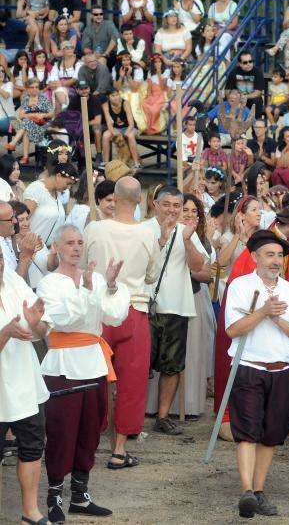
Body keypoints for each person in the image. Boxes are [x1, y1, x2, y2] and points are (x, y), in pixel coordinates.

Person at [38, 225, 127, 524]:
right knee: (61, 432)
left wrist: (110, 286)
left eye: (79, 242)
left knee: (90, 431)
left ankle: (80, 494)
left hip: (93, 362)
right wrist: (88, 291)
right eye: (69, 243)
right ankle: (54, 495)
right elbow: (62, 320)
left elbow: (114, 316)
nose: (76, 248)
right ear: (56, 247)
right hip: (63, 365)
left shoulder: (96, 277)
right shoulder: (49, 283)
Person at [225, 230, 289, 518]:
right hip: (248, 366)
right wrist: (262, 311)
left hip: (281, 369)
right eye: (269, 254)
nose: (275, 260)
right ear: (255, 257)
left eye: (279, 256)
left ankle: (259, 491)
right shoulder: (240, 285)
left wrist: (276, 317)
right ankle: (247, 491)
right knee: (247, 431)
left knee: (272, 433)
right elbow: (233, 330)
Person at [83, 176, 160, 469]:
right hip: (132, 309)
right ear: (139, 200)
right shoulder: (148, 234)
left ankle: (91, 442)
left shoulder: (95, 228)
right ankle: (118, 449)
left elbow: (83, 267)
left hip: (100, 312)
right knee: (132, 382)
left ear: (114, 198)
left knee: (94, 379)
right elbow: (151, 275)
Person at [143, 186, 207, 435]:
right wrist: (161, 238)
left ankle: (162, 416)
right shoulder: (143, 229)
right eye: (167, 204)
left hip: (177, 306)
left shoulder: (185, 231)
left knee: (172, 366)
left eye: (176, 205)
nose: (172, 210)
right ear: (155, 204)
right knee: (140, 365)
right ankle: (134, 416)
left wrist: (188, 241)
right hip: (145, 304)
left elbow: (198, 266)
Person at [0, 235, 50, 525]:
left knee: (32, 446)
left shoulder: (12, 280)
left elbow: (41, 330)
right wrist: (6, 332)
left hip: (25, 382)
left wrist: (35, 324)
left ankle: (30, 512)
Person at [226, 51, 265, 120]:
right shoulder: (234, 72)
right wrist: (233, 97)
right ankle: (228, 124)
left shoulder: (257, 72)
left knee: (257, 101)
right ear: (239, 64)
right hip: (237, 99)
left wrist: (245, 97)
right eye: (245, 62)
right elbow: (227, 91)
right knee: (225, 101)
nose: (248, 64)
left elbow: (258, 93)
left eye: (250, 61)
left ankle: (255, 124)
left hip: (250, 99)